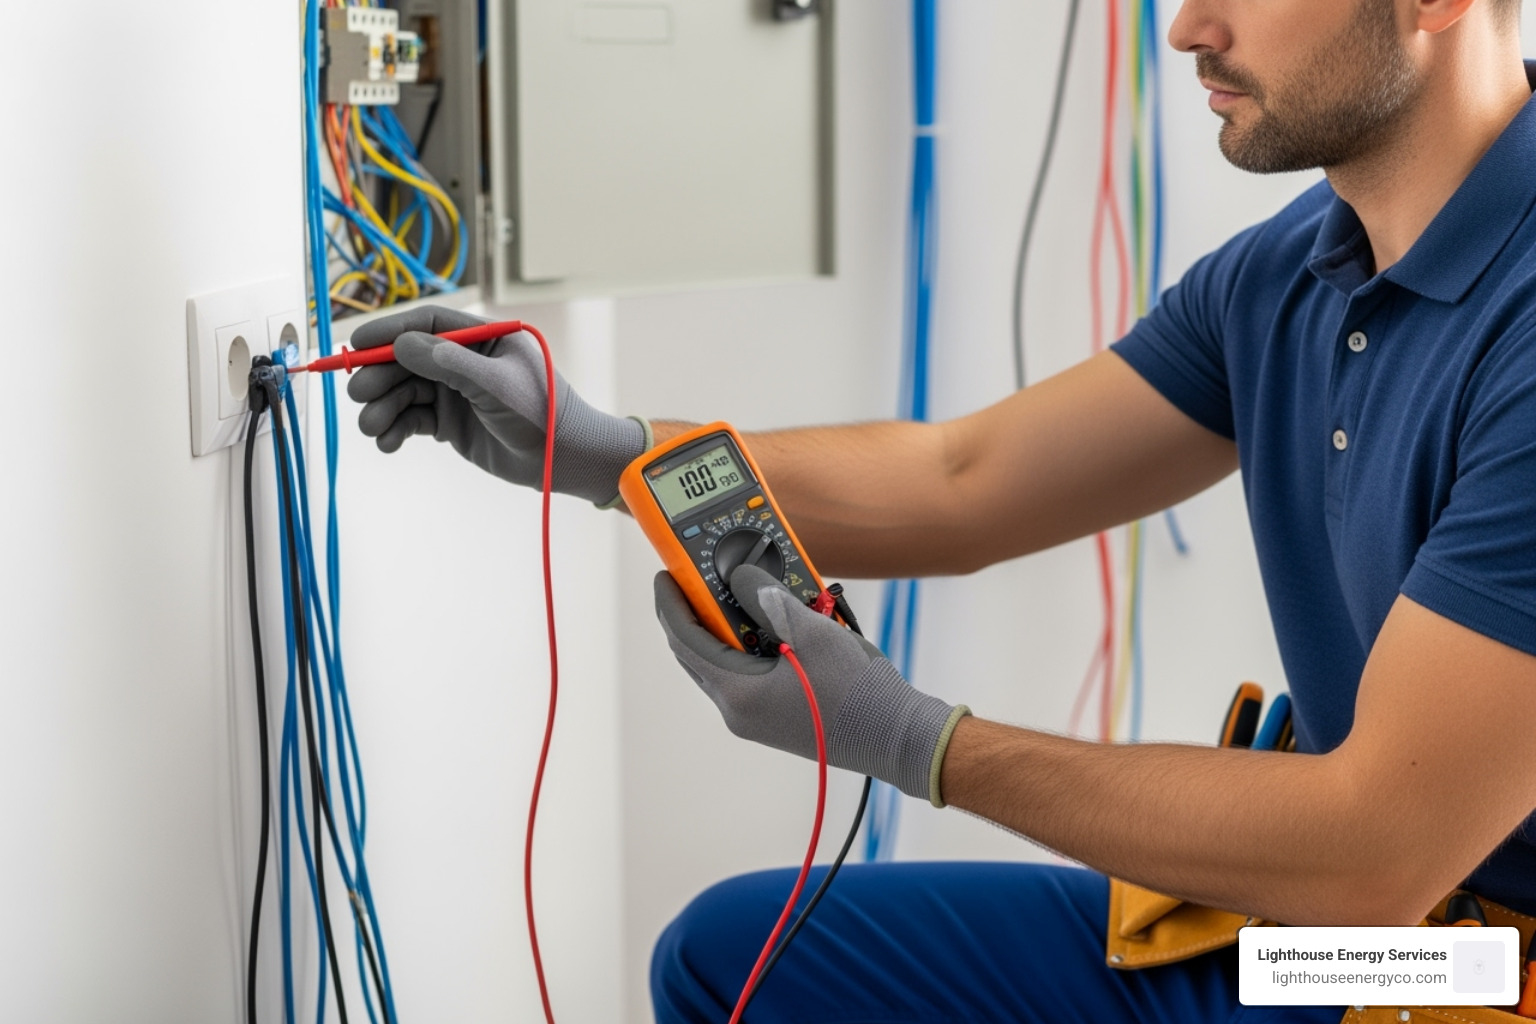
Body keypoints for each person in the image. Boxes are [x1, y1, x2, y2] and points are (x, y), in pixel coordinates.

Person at [345, 0, 1536, 1019]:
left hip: (1469, 965)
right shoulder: (1296, 265)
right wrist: (607, 455)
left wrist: (919, 739)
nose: (1187, 29)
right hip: (1377, 944)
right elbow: (963, 481)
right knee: (743, 962)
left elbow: (1373, 846)